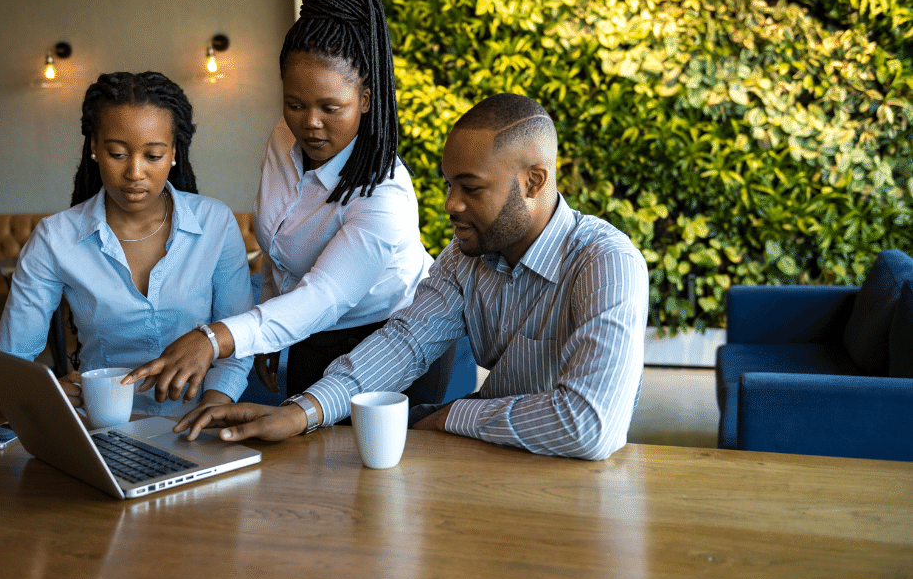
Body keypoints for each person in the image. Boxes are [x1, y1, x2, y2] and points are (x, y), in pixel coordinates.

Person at [172, 93, 650, 460]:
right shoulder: (465, 260)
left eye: (471, 187)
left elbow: (589, 425)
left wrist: (450, 415)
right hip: (490, 465)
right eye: (448, 184)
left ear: (534, 181)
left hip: (579, 490)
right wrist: (301, 413)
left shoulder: (607, 263)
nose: (450, 205)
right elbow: (402, 344)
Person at [124, 0, 474, 408]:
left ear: (365, 97)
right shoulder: (282, 140)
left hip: (393, 341)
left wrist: (216, 338)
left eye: (331, 107)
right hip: (308, 332)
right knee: (308, 468)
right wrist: (267, 330)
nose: (310, 122)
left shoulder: (384, 195)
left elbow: (323, 295)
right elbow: (278, 251)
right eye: (295, 104)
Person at [0, 71, 255, 417]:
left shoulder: (215, 223)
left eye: (153, 156)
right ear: (95, 149)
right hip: (100, 426)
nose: (134, 172)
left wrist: (211, 411)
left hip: (197, 424)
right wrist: (49, 392)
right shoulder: (55, 239)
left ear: (174, 153)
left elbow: (236, 339)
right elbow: (3, 370)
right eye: (117, 154)